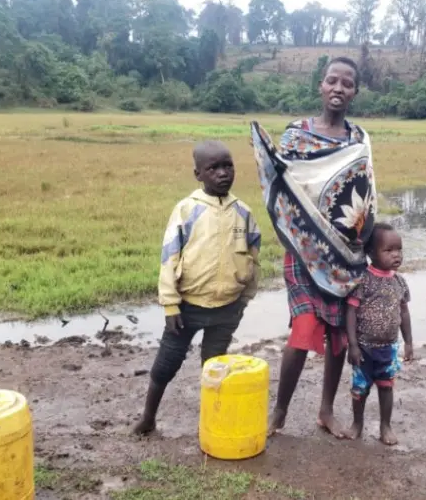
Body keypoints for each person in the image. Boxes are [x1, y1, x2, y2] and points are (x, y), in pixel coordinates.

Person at [250, 57, 376, 437]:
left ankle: (325, 410)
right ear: (321, 86)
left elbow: (364, 197)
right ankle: (280, 412)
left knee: (338, 334)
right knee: (304, 328)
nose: (339, 88)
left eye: (347, 83)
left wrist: (366, 245)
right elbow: (281, 184)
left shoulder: (359, 141)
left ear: (355, 92)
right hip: (303, 251)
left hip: (345, 255)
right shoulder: (296, 135)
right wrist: (289, 228)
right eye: (332, 80)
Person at [132, 140, 261, 435]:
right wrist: (170, 303)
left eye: (227, 165)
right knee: (165, 364)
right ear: (198, 174)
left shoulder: (243, 212)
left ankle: (212, 422)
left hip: (228, 307)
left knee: (214, 368)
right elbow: (169, 256)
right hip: (187, 307)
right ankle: (148, 417)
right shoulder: (186, 210)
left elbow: (254, 256)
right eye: (213, 168)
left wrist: (245, 298)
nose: (222, 173)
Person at [343, 223, 413, 445]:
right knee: (360, 389)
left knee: (386, 387)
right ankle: (358, 424)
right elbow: (351, 312)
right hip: (364, 347)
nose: (396, 255)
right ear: (371, 253)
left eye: (399, 250)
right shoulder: (364, 280)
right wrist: (352, 345)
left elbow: (404, 312)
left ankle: (385, 426)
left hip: (389, 347)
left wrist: (409, 342)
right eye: (389, 250)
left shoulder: (399, 282)